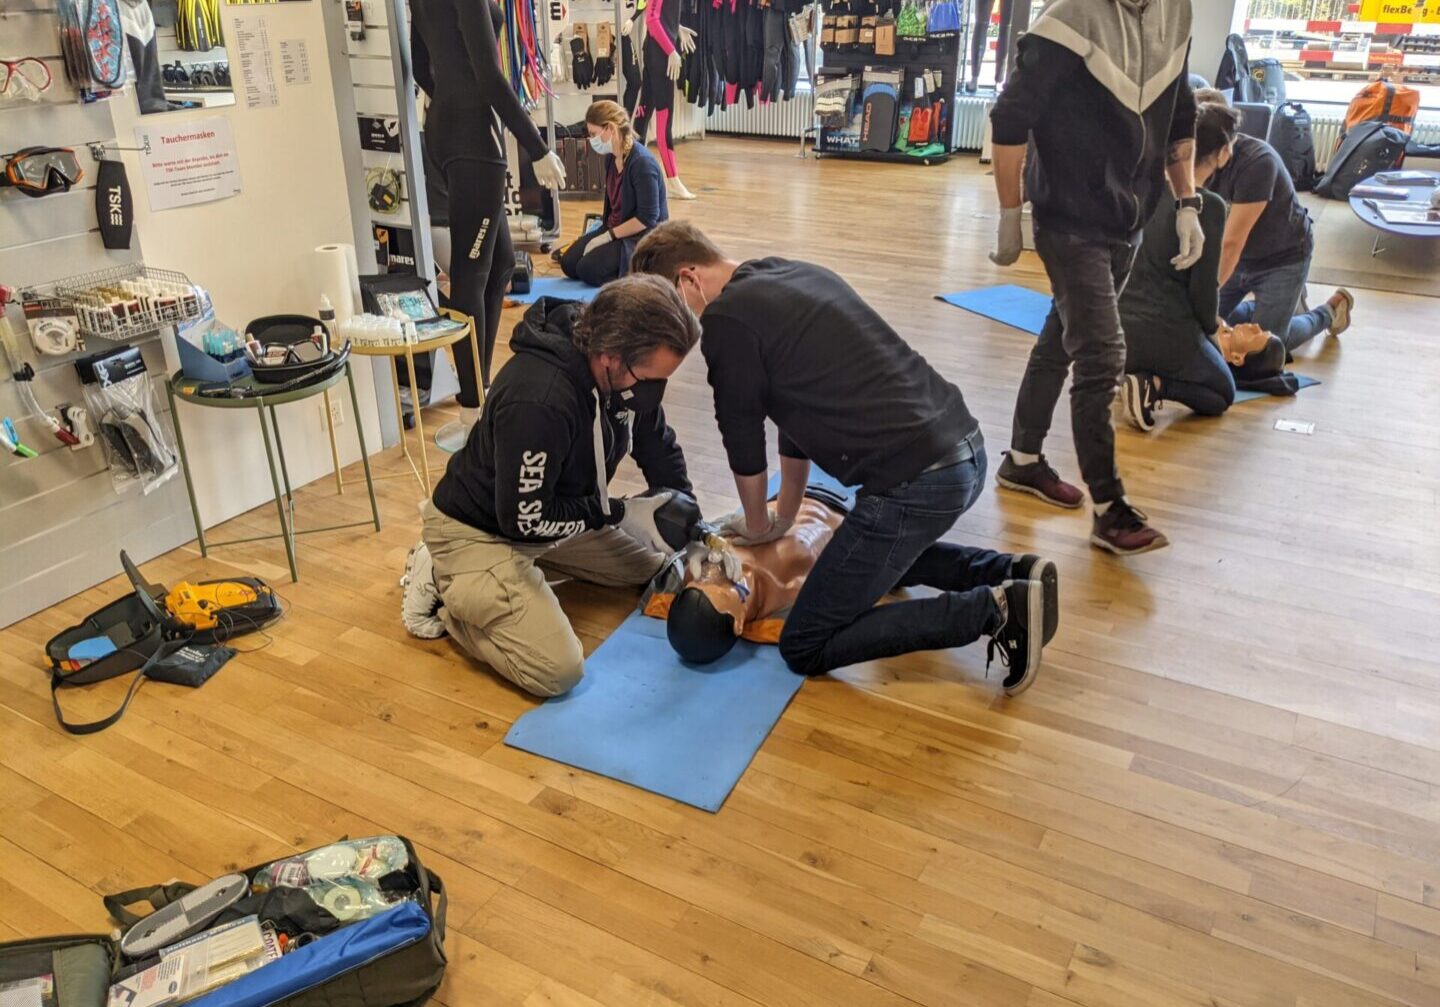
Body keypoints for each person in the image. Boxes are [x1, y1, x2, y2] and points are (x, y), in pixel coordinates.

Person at [630, 221, 1057, 695]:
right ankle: (1016, 572)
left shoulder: (726, 321)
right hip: (963, 449)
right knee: (860, 562)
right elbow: (795, 417)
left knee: (805, 644)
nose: (675, 326)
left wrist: (755, 522)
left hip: (918, 483)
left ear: (688, 278)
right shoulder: (785, 272)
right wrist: (784, 515)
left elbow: (742, 438)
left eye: (672, 305)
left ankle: (996, 609)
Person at [402, 275, 702, 698]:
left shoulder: (624, 378)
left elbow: (657, 446)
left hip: (551, 515)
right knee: (558, 671)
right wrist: (618, 514)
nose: (654, 389)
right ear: (610, 356)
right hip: (484, 530)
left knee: (656, 565)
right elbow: (525, 520)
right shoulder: (539, 400)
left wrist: (690, 523)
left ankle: (511, 582)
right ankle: (447, 587)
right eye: (649, 376)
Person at [988, 0, 1199, 556]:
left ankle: (1023, 461)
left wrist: (1188, 204)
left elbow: (1179, 117)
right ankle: (1110, 509)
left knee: (1061, 337)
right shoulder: (1070, 17)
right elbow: (1009, 118)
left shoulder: (1176, 13)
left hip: (1129, 216)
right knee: (1102, 355)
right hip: (1069, 219)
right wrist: (1011, 214)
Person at [411, 0, 567, 414]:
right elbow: (489, 76)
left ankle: (479, 380)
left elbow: (419, 66)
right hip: (475, 140)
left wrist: (447, 100)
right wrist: (537, 149)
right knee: (471, 272)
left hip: (446, 132)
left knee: (498, 266)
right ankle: (472, 401)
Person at [1193, 89, 1354, 353]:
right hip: (1234, 259)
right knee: (1202, 330)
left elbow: (1231, 242)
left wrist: (1201, 301)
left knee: (1268, 347)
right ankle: (1277, 305)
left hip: (1281, 257)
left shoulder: (1257, 162)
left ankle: (1329, 311)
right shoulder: (1191, 155)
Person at [1117, 105, 1233, 429]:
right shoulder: (1208, 206)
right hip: (1162, 329)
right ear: (1223, 152)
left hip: (1114, 325)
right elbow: (1203, 289)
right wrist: (1213, 334)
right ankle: (1152, 387)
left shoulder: (1138, 185)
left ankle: (1127, 375)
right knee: (1222, 393)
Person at [560, 101, 669, 287]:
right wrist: (603, 233)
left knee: (587, 270)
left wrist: (609, 236)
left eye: (593, 134)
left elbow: (648, 218)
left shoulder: (642, 163)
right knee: (569, 264)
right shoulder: (611, 158)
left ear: (609, 128)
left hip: (640, 235)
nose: (591, 139)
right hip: (614, 227)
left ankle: (641, 271)